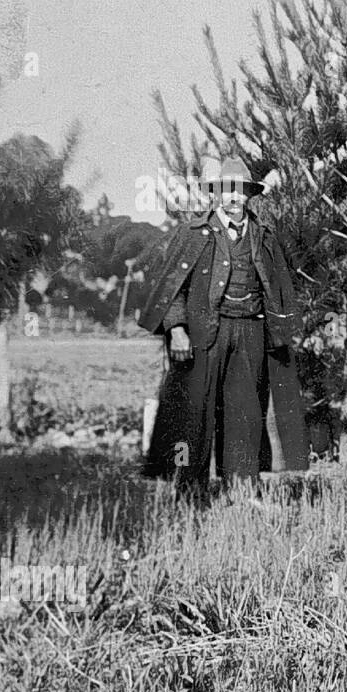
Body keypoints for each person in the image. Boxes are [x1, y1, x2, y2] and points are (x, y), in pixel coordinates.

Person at [138, 155, 309, 499]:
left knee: (245, 413)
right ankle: (188, 490)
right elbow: (174, 287)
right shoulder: (193, 234)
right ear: (216, 194)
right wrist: (177, 329)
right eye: (227, 191)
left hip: (250, 333)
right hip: (203, 335)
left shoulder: (263, 235)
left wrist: (280, 333)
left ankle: (243, 490)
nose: (234, 198)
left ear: (249, 195)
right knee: (191, 416)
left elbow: (278, 289)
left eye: (241, 191)